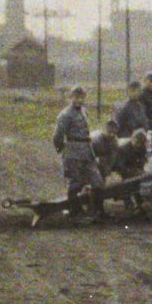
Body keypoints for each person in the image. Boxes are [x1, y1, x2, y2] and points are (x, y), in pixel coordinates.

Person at [51, 86, 107, 220]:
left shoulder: (83, 111)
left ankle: (98, 211)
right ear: (71, 97)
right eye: (76, 97)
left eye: (81, 97)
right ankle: (75, 212)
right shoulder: (65, 115)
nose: (79, 100)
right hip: (73, 151)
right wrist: (62, 149)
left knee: (97, 181)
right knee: (75, 183)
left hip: (87, 151)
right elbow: (58, 136)